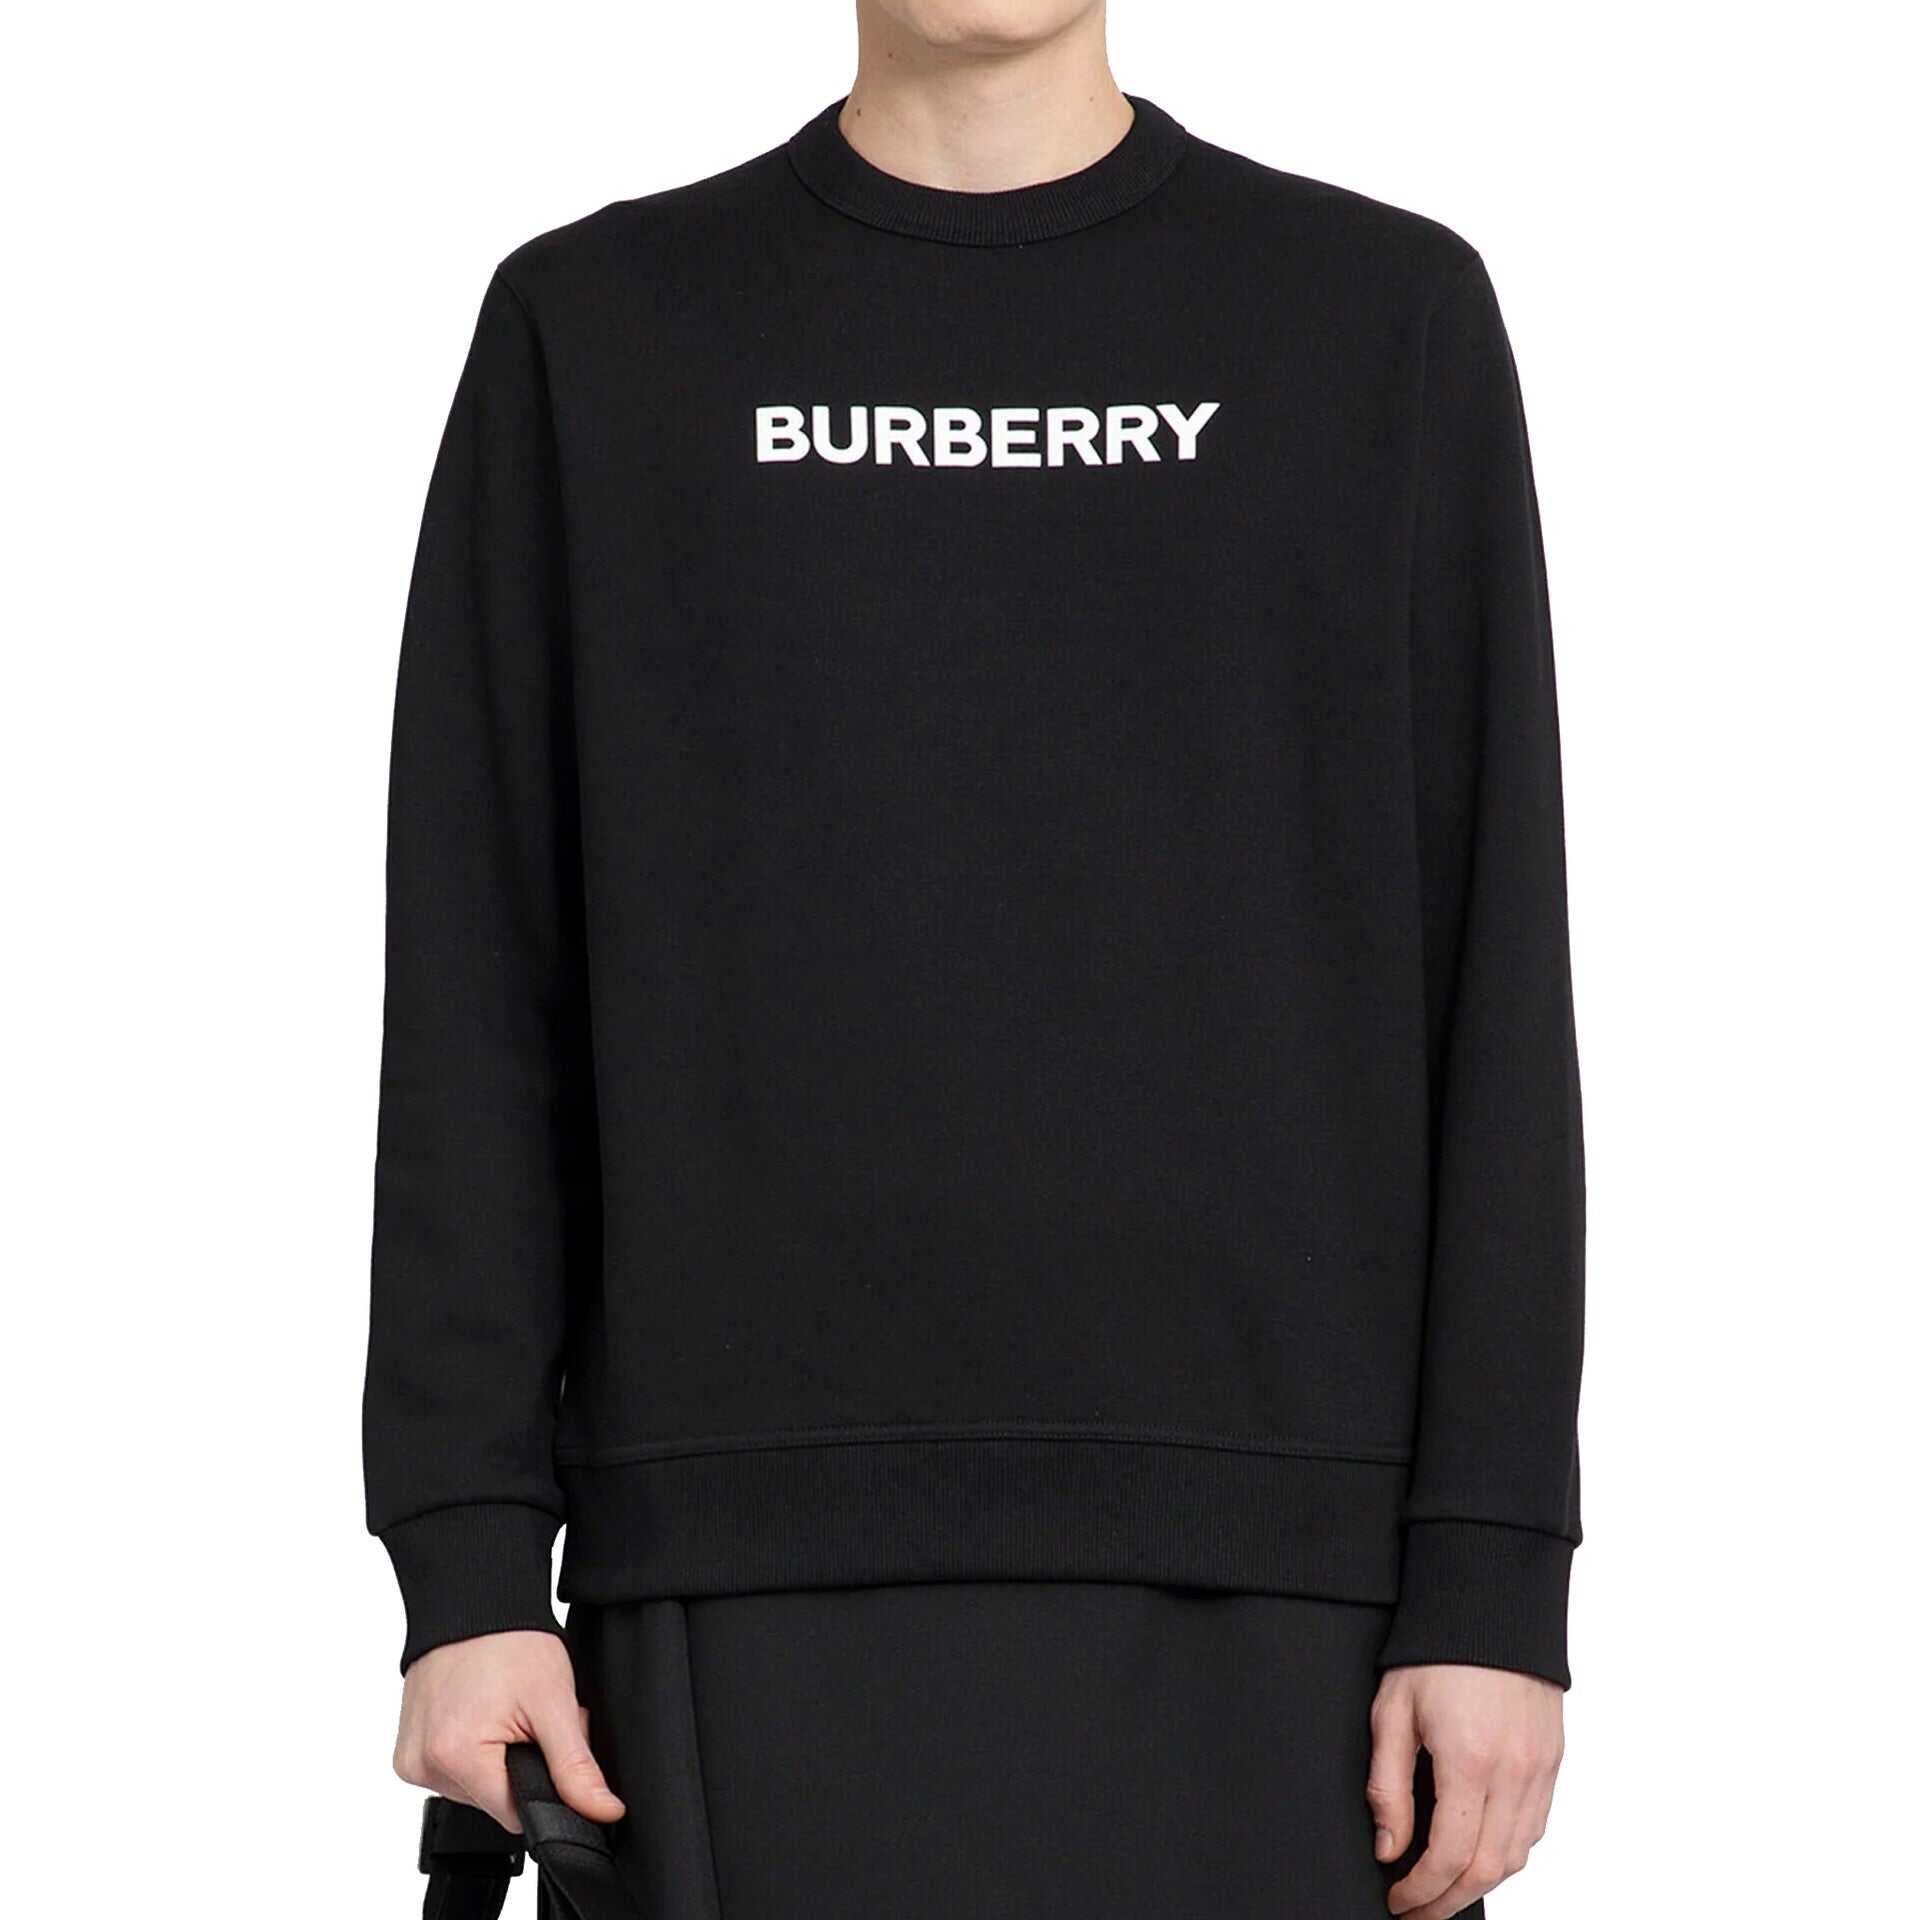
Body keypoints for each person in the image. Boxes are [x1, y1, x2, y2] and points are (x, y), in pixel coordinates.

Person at [364, 4, 1584, 1914]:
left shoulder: (1377, 318)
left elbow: (1493, 974)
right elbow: (476, 978)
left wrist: (1495, 1573)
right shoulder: (599, 330)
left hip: (1289, 1592)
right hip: (733, 1558)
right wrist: (466, 1563)